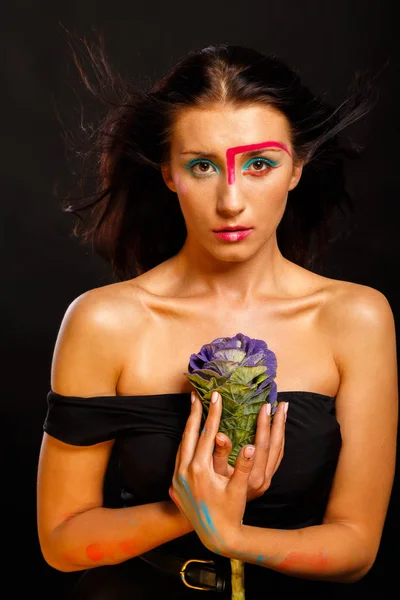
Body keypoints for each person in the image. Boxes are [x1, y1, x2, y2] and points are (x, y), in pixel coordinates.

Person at [37, 41, 398, 599]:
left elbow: (356, 547)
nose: (231, 201)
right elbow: (61, 541)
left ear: (297, 166)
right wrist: (191, 511)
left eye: (259, 165)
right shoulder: (104, 321)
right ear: (168, 173)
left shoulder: (356, 318)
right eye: (202, 166)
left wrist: (230, 534)